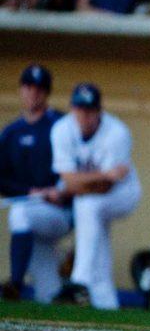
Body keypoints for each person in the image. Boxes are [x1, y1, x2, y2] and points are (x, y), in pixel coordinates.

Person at [50, 83, 141, 310]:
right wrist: (99, 175)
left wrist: (74, 184)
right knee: (97, 239)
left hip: (123, 194)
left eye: (90, 110)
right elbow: (69, 179)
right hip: (92, 194)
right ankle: (105, 304)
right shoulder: (61, 130)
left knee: (88, 204)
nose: (85, 115)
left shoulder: (117, 133)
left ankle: (79, 281)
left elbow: (105, 187)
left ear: (100, 110)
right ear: (72, 109)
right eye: (80, 109)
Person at [0, 65, 70, 303]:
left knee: (20, 214)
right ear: (21, 90)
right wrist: (30, 191)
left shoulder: (59, 125)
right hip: (32, 213)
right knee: (47, 292)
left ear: (46, 93)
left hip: (58, 211)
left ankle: (15, 283)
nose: (33, 93)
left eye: (39, 89)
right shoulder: (11, 132)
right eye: (29, 87)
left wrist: (59, 190)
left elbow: (75, 166)